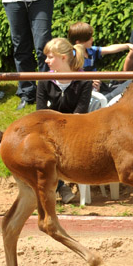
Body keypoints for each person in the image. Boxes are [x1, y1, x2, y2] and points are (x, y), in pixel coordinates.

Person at [37, 37, 92, 203]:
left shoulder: (83, 80)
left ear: (63, 58)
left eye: (50, 56)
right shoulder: (45, 79)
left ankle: (59, 186)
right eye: (46, 56)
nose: (46, 60)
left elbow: (80, 113)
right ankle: (60, 187)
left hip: (75, 130)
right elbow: (40, 112)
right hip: (50, 130)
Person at [67, 21, 133, 92]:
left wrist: (127, 45)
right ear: (78, 42)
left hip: (96, 86)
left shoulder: (91, 50)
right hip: (82, 88)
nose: (92, 39)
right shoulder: (73, 56)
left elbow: (110, 48)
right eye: (89, 38)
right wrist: (89, 81)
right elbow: (73, 76)